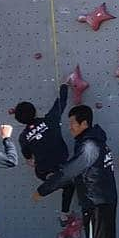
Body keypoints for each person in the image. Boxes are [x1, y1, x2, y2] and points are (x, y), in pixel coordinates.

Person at [34, 104, 119, 238]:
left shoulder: (88, 146)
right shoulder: (95, 142)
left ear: (84, 123)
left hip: (96, 201)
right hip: (106, 199)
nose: (70, 127)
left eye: (73, 123)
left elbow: (70, 171)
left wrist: (43, 190)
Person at [15, 84, 75, 225]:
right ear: (35, 111)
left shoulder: (23, 137)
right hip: (60, 164)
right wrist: (64, 86)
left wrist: (33, 158)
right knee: (69, 184)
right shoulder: (50, 120)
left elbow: (29, 159)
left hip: (42, 170)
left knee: (63, 182)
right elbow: (61, 102)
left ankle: (50, 177)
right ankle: (64, 214)